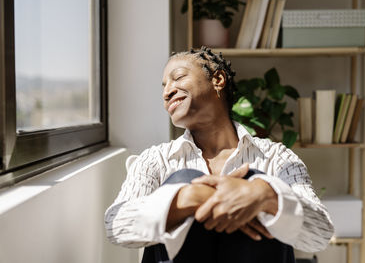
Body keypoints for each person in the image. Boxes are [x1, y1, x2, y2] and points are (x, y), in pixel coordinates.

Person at [104, 47, 334, 263]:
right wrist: (186, 198)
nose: (167, 92)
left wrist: (266, 196)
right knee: (183, 179)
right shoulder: (155, 160)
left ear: (218, 80)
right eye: (163, 86)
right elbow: (117, 225)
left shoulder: (277, 158)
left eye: (178, 77)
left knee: (257, 179)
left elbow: (320, 233)